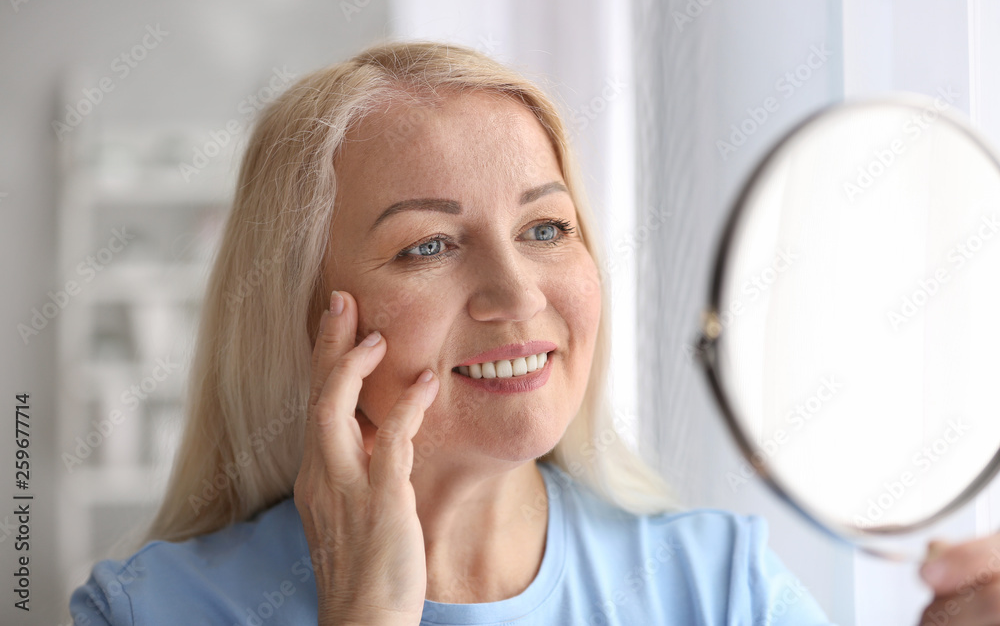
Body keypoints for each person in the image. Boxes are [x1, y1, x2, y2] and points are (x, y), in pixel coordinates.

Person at [66, 40, 1000, 626]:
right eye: (430, 244)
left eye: (546, 228)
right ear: (312, 321)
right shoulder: (146, 611)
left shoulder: (721, 589)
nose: (516, 292)